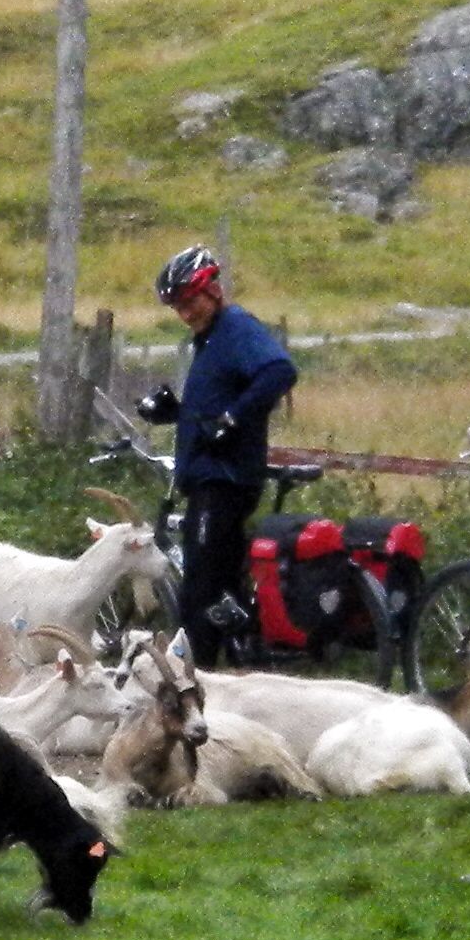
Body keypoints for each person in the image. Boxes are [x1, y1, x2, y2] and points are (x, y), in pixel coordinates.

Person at [134, 244, 299, 667]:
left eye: (191, 302)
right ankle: (247, 658)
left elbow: (280, 371)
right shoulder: (207, 341)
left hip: (224, 481)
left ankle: (198, 680)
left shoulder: (235, 327)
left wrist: (235, 418)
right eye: (178, 307)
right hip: (209, 478)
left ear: (213, 291)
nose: (186, 313)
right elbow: (214, 410)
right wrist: (178, 412)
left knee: (199, 593)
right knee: (223, 590)